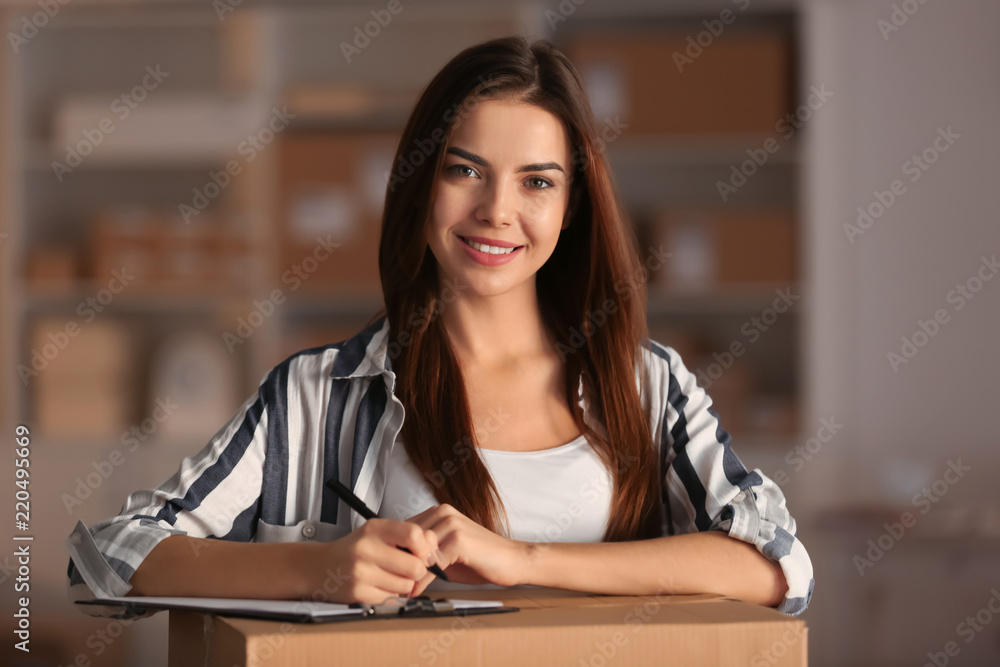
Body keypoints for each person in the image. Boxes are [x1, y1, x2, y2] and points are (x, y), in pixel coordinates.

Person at [67, 35, 813, 618]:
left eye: (537, 182)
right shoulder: (318, 392)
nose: (496, 210)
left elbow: (776, 564)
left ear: (572, 206)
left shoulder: (649, 384)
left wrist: (525, 558)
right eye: (465, 170)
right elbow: (107, 558)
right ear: (420, 183)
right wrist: (318, 569)